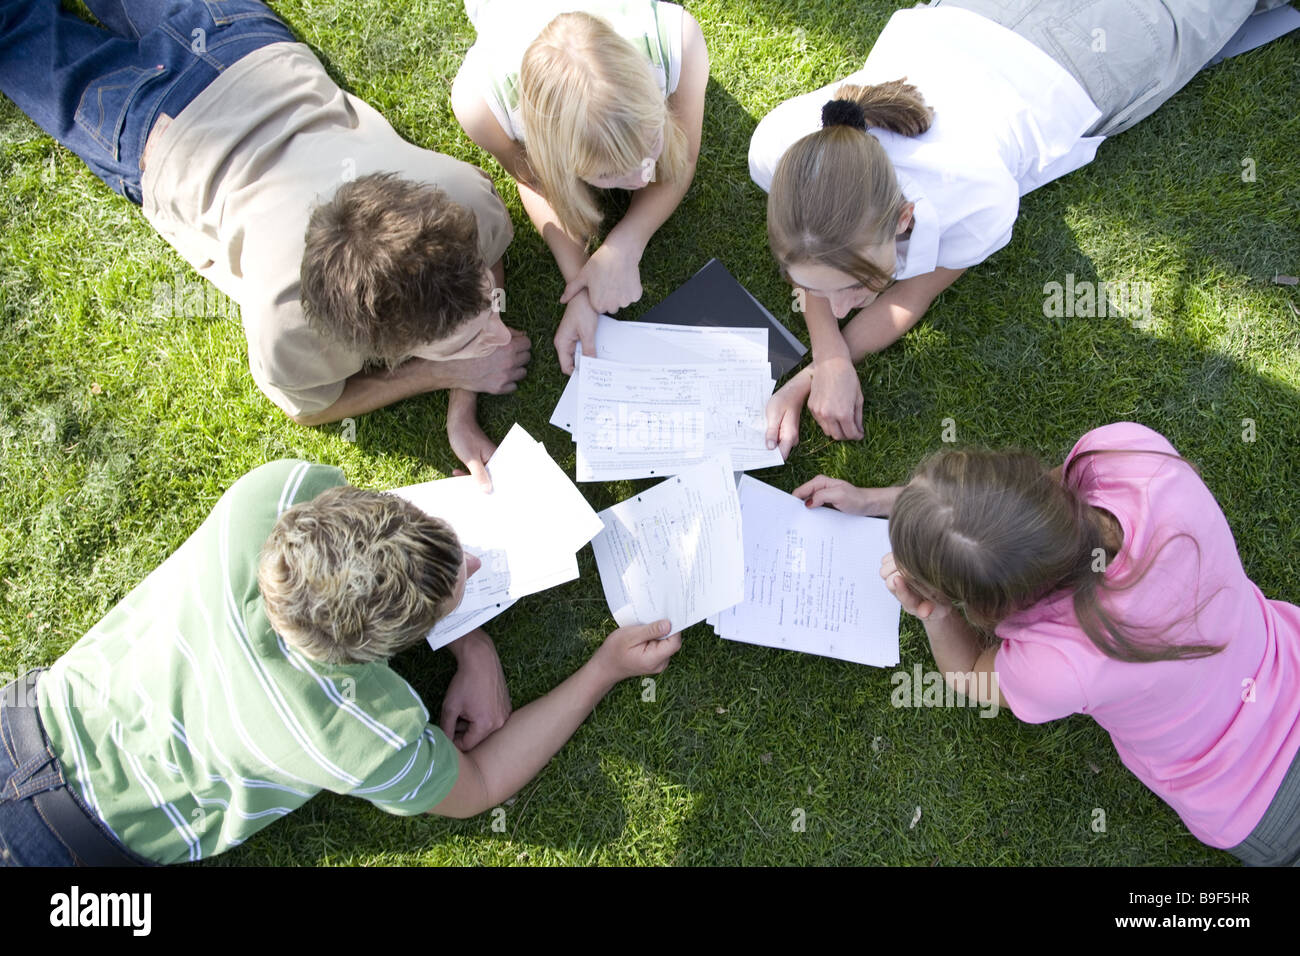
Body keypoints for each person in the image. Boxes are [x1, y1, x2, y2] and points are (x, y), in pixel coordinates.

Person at [0, 460, 681, 866]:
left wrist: (471, 641)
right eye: (455, 591)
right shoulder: (360, 730)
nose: (475, 561)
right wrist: (602, 671)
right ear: (371, 659)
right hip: (59, 849)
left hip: (19, 724)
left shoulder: (273, 496)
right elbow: (478, 785)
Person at [0, 0, 532, 485]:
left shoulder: (461, 201)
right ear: (376, 350)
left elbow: (488, 258)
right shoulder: (289, 321)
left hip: (246, 45)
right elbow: (309, 407)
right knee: (17, 24)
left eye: (487, 301)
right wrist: (447, 373)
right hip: (149, 125)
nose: (500, 328)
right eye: (469, 337)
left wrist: (462, 404)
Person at [749, 0, 1297, 457]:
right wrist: (826, 360)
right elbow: (828, 265)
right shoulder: (779, 151)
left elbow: (912, 296)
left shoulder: (975, 197)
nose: (838, 308)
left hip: (1094, 58)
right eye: (819, 292)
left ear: (905, 218)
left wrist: (827, 361)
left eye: (857, 287)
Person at [794, 422, 1300, 865]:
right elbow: (1018, 517)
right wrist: (884, 502)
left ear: (989, 606)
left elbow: (969, 671)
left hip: (1260, 803)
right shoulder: (1128, 456)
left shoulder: (1057, 665)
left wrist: (933, 611)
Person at [451, 0, 709, 373]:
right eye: (608, 175)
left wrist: (625, 245)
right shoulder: (481, 106)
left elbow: (682, 158)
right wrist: (581, 282)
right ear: (554, 154)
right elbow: (537, 182)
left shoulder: (678, 41)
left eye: (651, 139)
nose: (640, 178)